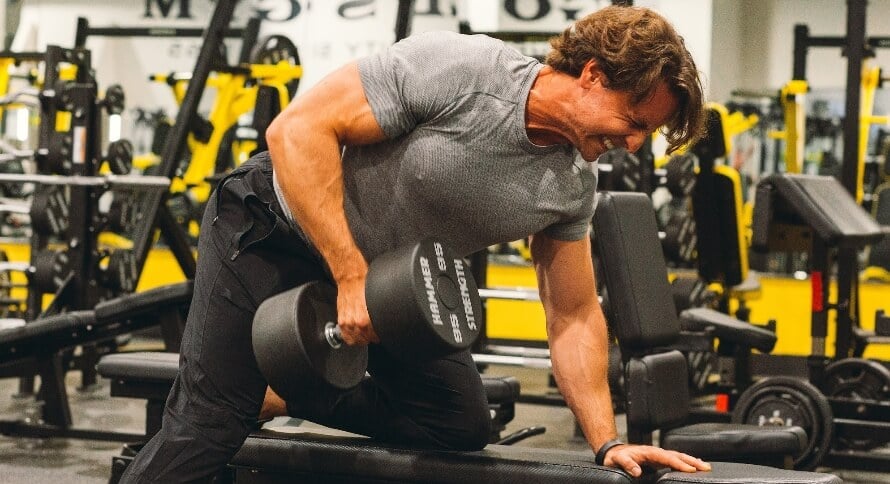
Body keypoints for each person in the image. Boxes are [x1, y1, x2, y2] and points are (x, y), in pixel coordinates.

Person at [122, 5, 709, 482]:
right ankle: (235, 396)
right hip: (273, 224)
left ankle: (282, 384)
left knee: (457, 422)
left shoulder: (571, 186)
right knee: (211, 424)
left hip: (386, 281)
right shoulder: (464, 70)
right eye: (634, 120)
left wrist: (607, 443)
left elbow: (574, 314)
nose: (633, 145)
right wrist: (349, 277)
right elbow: (296, 131)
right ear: (593, 75)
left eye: (647, 135)